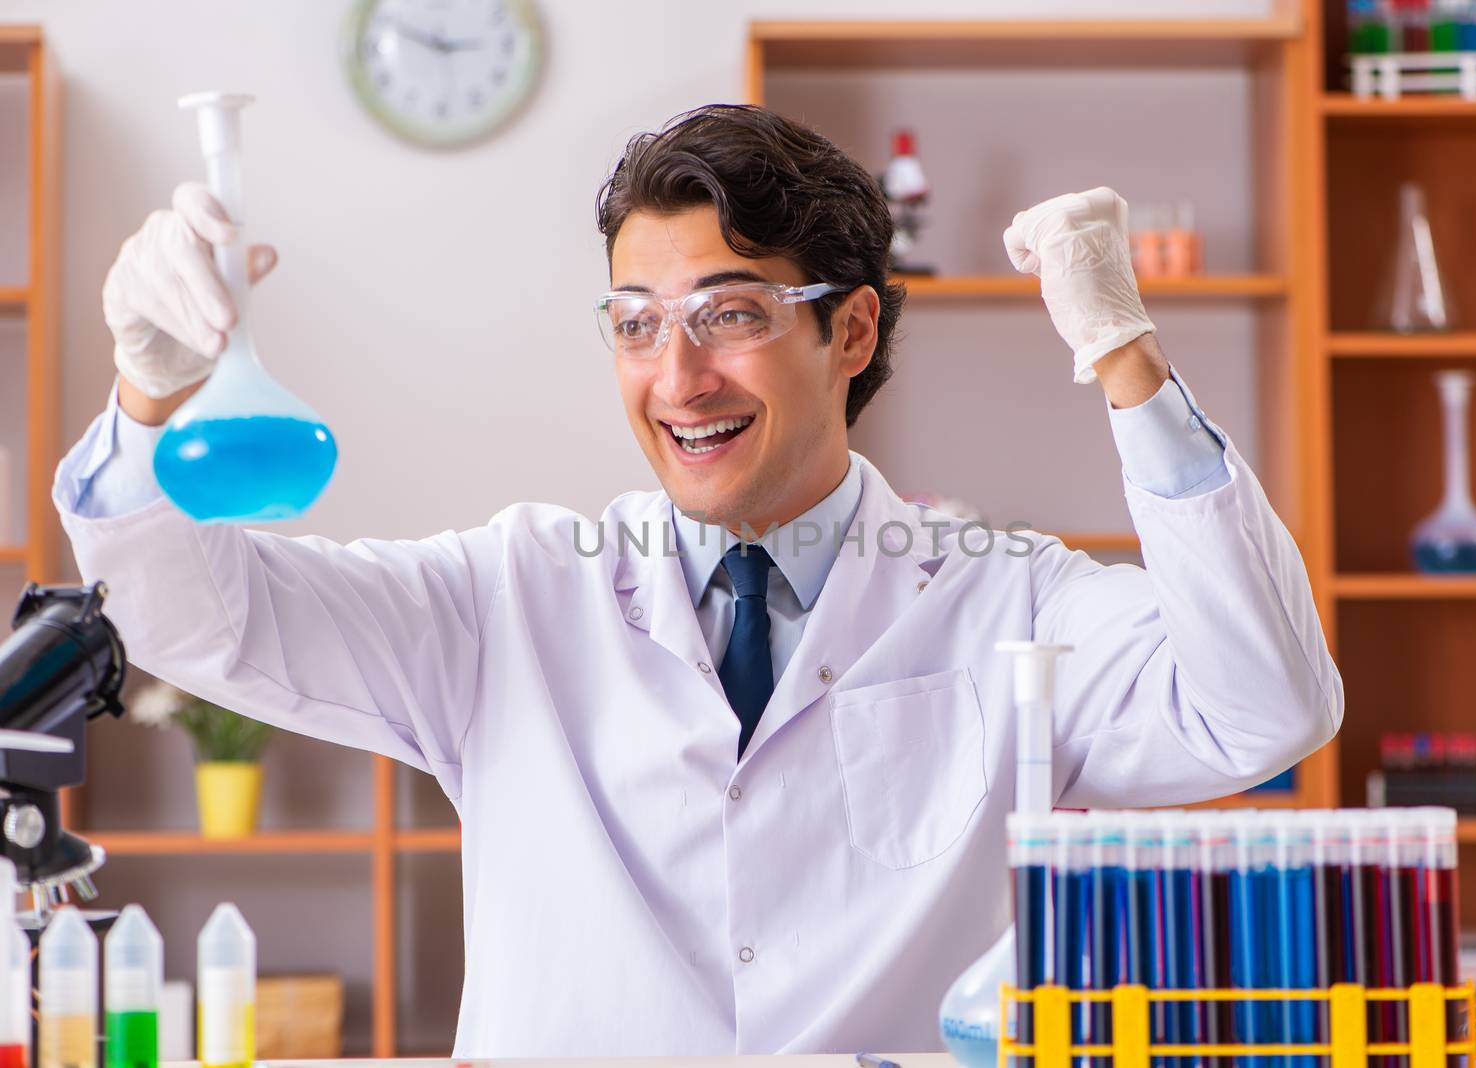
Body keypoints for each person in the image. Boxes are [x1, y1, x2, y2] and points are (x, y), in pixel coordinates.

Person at [58, 105, 1342, 1056]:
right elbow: (194, 619)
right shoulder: (507, 601)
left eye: (728, 314)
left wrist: (1123, 357)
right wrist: (147, 397)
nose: (676, 378)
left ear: (850, 329)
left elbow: (1263, 704)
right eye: (635, 322)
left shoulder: (1008, 600)